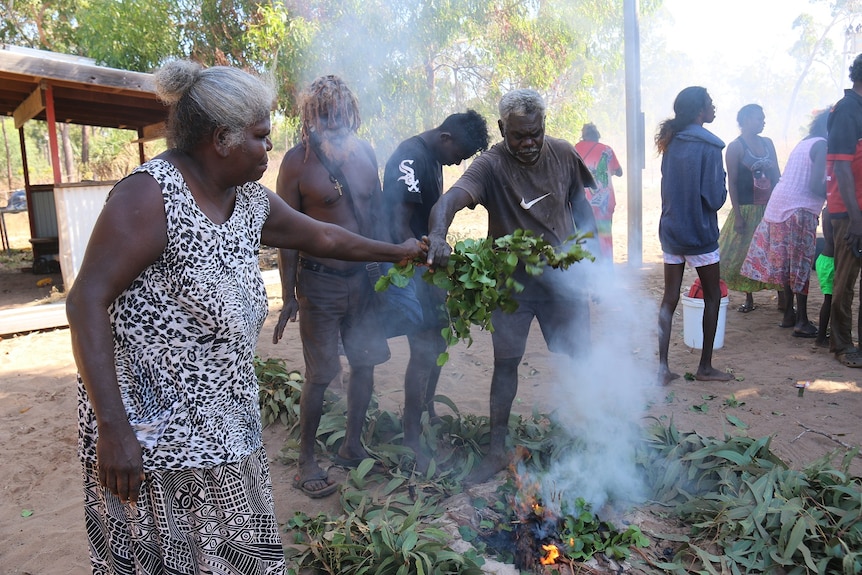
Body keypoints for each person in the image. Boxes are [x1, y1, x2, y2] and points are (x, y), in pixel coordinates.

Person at [65, 59, 426, 574]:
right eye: (260, 137)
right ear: (221, 139)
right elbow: (84, 302)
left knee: (237, 557)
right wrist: (114, 428)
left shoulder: (248, 201)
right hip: (154, 438)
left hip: (227, 422)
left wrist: (398, 252)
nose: (269, 148)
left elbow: (322, 236)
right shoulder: (150, 196)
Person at [424, 88, 597, 484]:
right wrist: (437, 235)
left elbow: (581, 208)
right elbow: (449, 200)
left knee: (580, 360)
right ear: (502, 129)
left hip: (564, 284)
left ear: (543, 126)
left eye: (534, 133)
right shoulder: (490, 166)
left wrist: (592, 263)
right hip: (512, 289)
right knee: (506, 363)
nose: (529, 143)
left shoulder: (563, 153)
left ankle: (587, 437)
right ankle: (496, 449)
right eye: (518, 135)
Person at [270, 75, 394, 498]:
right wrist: (288, 296)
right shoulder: (295, 163)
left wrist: (386, 271)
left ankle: (351, 445)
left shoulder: (365, 153)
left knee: (364, 364)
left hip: (362, 281)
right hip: (319, 285)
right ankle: (307, 461)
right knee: (321, 375)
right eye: (327, 115)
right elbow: (285, 234)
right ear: (312, 117)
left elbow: (374, 215)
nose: (337, 123)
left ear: (352, 113)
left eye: (343, 115)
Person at [382, 110, 490, 468]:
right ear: (446, 137)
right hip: (410, 267)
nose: (458, 162)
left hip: (428, 268)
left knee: (438, 341)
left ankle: (426, 409)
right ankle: (411, 436)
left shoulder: (433, 159)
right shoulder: (410, 158)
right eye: (458, 154)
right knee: (425, 348)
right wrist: (420, 270)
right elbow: (400, 224)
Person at [656, 86, 734, 385]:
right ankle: (705, 367)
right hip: (700, 233)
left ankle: (662, 369)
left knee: (669, 299)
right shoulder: (710, 147)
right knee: (712, 295)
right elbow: (713, 198)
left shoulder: (671, 141)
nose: (714, 108)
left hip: (672, 230)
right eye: (710, 103)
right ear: (700, 111)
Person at [739, 109, 829, 337]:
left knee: (788, 265)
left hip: (778, 207)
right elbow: (816, 186)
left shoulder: (805, 142)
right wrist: (840, 190)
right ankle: (802, 321)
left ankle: (790, 314)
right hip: (799, 210)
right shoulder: (822, 145)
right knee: (800, 266)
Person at [719, 104, 782, 313]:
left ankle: (782, 297)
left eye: (763, 118)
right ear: (745, 120)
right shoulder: (736, 147)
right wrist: (737, 215)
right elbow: (733, 183)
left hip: (769, 209)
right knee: (744, 253)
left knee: (774, 253)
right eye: (758, 118)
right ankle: (749, 297)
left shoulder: (768, 143)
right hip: (746, 209)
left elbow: (777, 176)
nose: (763, 122)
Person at [826, 53, 862, 368]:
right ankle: (841, 344)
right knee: (845, 281)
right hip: (851, 213)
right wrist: (856, 218)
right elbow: (841, 168)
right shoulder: (847, 111)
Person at [574, 122, 623, 261]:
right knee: (604, 235)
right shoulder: (606, 150)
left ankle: (586, 267)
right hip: (603, 202)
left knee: (583, 234)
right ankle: (606, 267)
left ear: (583, 136)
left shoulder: (575, 149)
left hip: (581, 202)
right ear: (597, 136)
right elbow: (619, 172)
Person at [815, 208, 835, 348]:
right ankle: (821, 337)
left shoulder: (827, 210)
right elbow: (832, 240)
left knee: (831, 300)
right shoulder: (831, 211)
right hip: (830, 262)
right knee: (830, 300)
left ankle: (824, 335)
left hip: (826, 260)